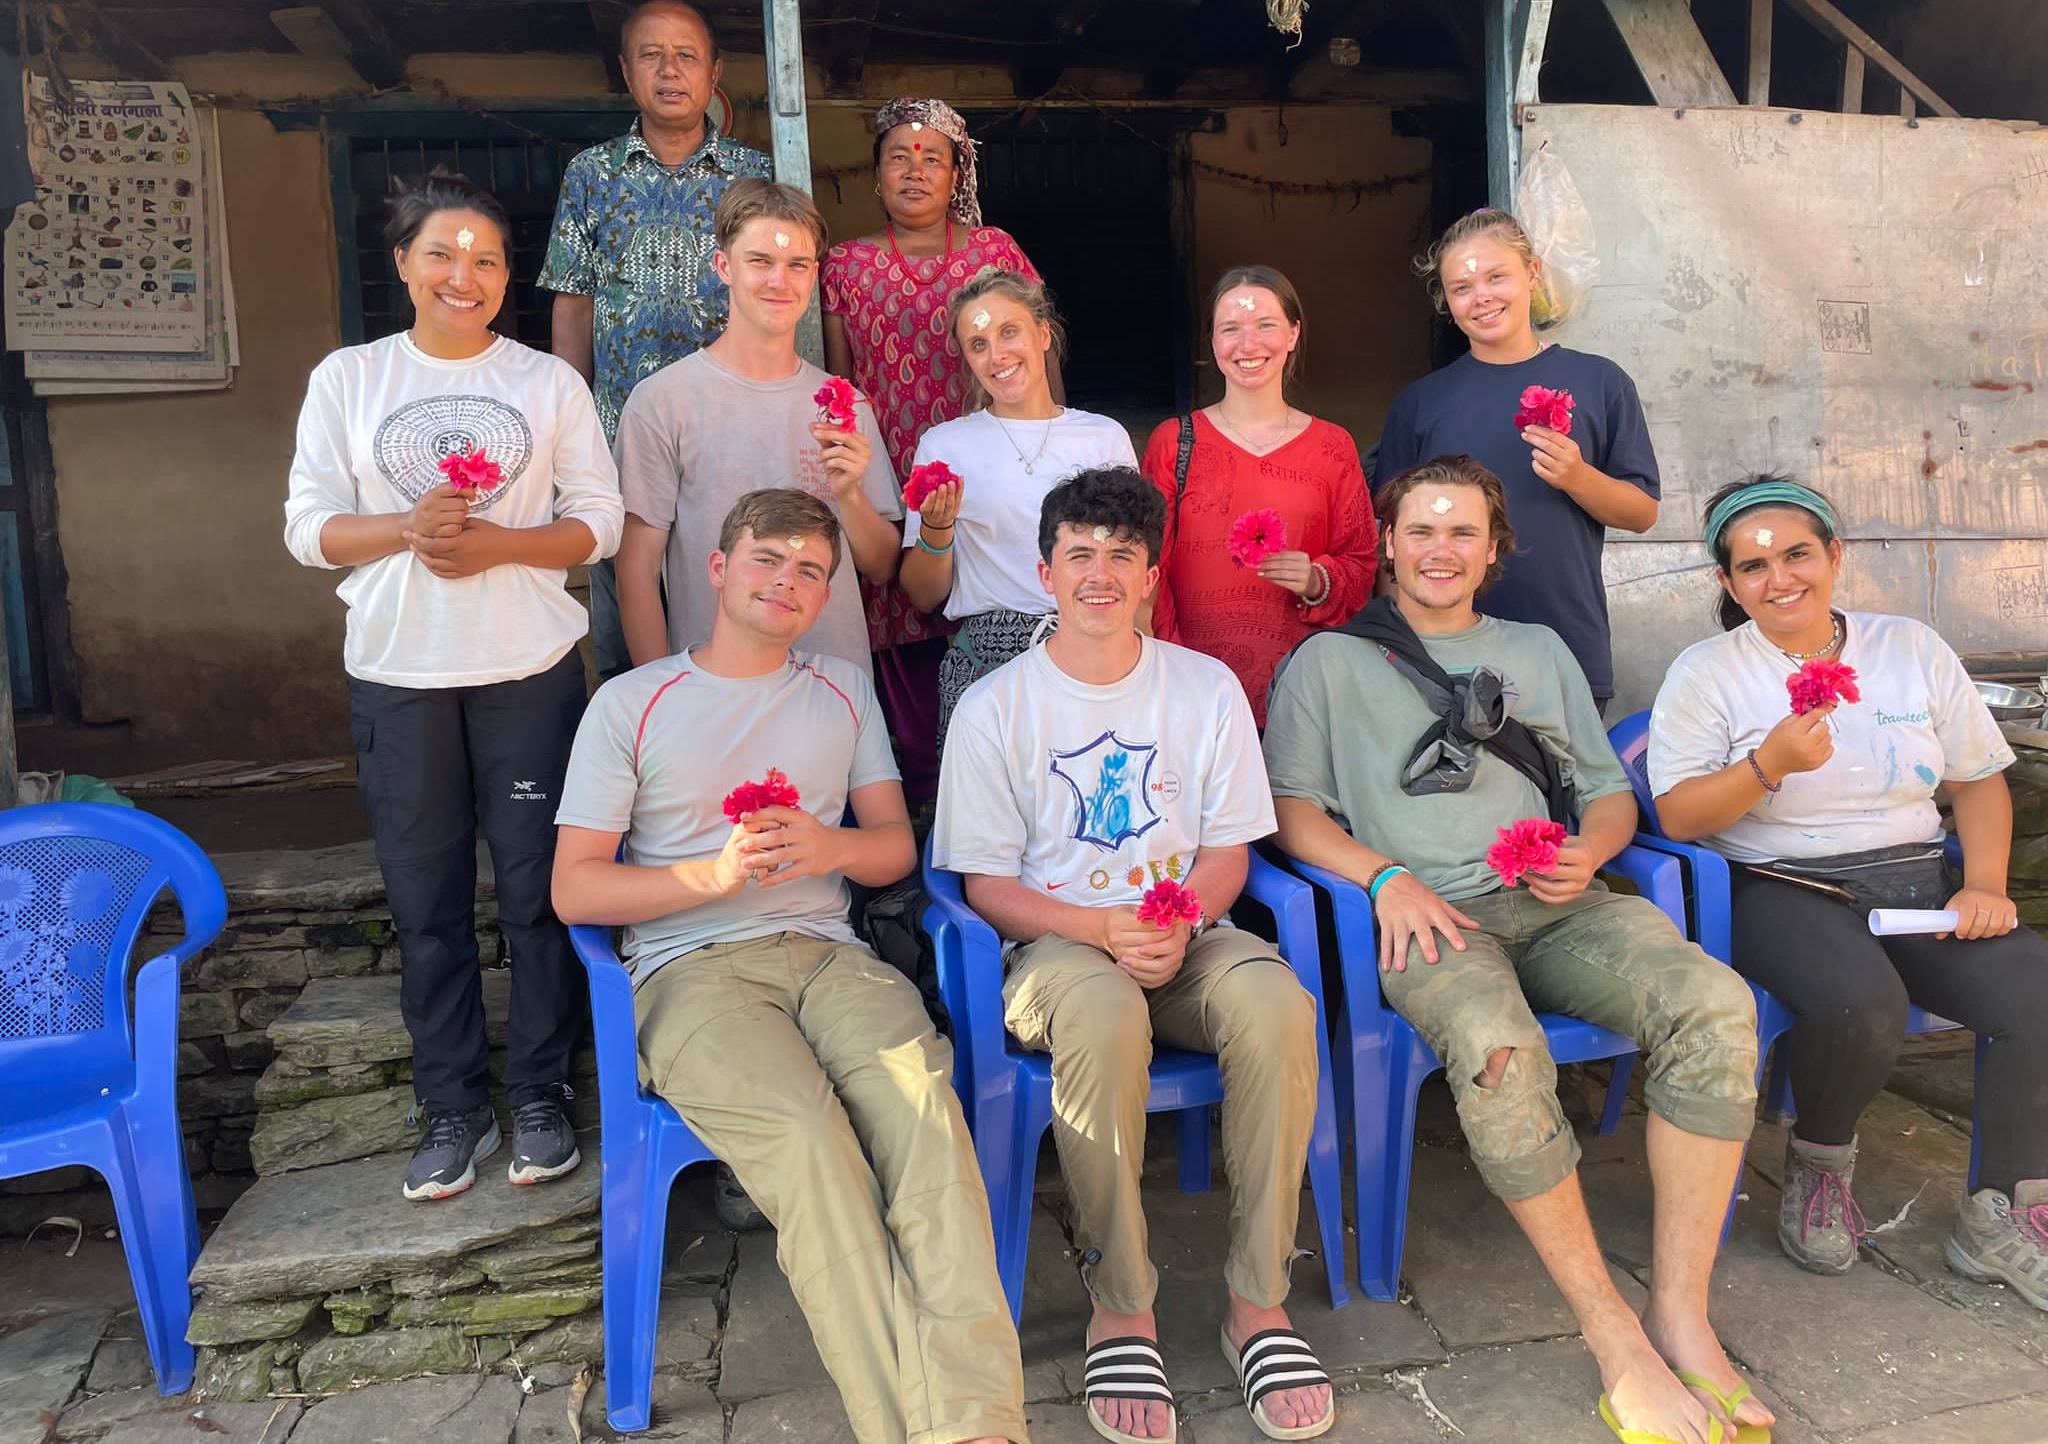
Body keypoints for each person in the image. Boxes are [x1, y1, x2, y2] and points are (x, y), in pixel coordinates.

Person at [1266, 456, 1770, 1444]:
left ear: (1492, 550)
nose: (1439, 550)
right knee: (1502, 1056)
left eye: (1461, 532)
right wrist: (1382, 878)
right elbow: (1290, 814)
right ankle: (1615, 1341)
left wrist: (1590, 849)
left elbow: (1606, 789)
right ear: (1387, 543)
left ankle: (1679, 1312)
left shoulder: (1532, 650)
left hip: (1559, 904)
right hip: (1428, 922)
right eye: (1420, 529)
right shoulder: (1325, 664)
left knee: (1714, 1006)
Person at [553, 488, 1026, 1444]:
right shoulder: (631, 703)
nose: (789, 582)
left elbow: (893, 847)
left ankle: (980, 1425)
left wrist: (828, 848)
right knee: (811, 1144)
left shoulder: (842, 689)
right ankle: (931, 1431)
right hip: (691, 974)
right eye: (769, 560)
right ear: (719, 570)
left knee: (927, 1116)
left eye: (811, 571)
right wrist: (710, 873)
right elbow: (576, 891)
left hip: (828, 956)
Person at [935, 466, 1335, 1444]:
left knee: (1278, 1006)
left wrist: (1175, 918)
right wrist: (1102, 931)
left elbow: (1229, 850)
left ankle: (1257, 1298)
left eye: (1121, 555)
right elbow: (984, 886)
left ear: (1152, 575)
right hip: (1054, 951)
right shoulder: (996, 707)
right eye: (1080, 554)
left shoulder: (1199, 690)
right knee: (1104, 1016)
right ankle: (1122, 1299)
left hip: (1187, 932)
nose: (1100, 573)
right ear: (1045, 572)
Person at [284, 170, 624, 1201]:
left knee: (536, 894)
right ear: (402, 264)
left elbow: (598, 519)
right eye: (440, 253)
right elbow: (306, 528)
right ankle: (449, 1107)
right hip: (398, 672)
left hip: (526, 672)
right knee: (425, 901)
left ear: (506, 274)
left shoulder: (545, 384)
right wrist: (406, 530)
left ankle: (537, 1095)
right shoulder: (350, 379)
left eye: (484, 258)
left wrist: (501, 549)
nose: (462, 275)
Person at [1649, 473, 2048, 1302]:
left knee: (2036, 988)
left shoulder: (1908, 646)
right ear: (1728, 584)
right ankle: (1821, 1162)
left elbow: (1977, 780)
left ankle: (2004, 1211)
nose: (1779, 578)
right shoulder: (1709, 671)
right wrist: (1769, 766)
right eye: (1752, 567)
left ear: (1834, 555)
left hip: (1913, 882)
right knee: (1857, 1002)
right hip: (1779, 884)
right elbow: (1680, 817)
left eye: (1797, 554)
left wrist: (1982, 885)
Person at [822, 96, 1051, 803]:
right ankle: (927, 814)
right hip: (899, 481)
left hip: (995, 473)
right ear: (876, 173)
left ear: (959, 174)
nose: (915, 171)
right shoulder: (845, 264)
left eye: (932, 158)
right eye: (899, 156)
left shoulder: (995, 251)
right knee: (907, 628)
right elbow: (841, 383)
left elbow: (1039, 359)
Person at [540, 0, 771, 682]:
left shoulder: (755, 175)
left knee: (737, 612)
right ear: (625, 70)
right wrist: (569, 433)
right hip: (619, 443)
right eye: (651, 55)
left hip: (733, 435)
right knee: (625, 638)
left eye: (686, 56)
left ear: (713, 71)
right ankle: (644, 775)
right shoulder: (591, 173)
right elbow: (572, 306)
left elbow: (784, 297)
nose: (670, 70)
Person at [1373, 208, 1660, 710]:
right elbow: (1389, 543)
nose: (1481, 296)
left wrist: (1578, 477)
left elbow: (1641, 512)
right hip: (1444, 660)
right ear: (1447, 302)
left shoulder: (1600, 382)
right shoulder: (1421, 403)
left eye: (1496, 276)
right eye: (1461, 287)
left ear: (1532, 274)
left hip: (1567, 647)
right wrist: (1400, 648)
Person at [614, 179, 901, 674]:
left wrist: (850, 494)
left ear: (814, 275)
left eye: (796, 265)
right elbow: (636, 570)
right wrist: (660, 696)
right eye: (760, 261)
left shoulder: (843, 404)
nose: (778, 281)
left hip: (831, 687)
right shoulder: (663, 401)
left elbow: (880, 566)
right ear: (723, 266)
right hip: (711, 692)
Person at [901, 267, 1135, 751]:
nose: (997, 355)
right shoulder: (945, 446)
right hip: (990, 669)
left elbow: (1132, 567)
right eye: (978, 343)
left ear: (1043, 334)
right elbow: (923, 596)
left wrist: (1143, 664)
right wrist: (938, 529)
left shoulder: (1102, 437)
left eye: (1009, 332)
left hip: (1094, 654)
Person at [1141, 266, 1377, 726]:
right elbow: (1149, 571)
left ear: (1293, 334)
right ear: (1212, 342)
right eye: (1231, 329)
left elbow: (1363, 563)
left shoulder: (1333, 448)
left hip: (1302, 695)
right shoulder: (1174, 443)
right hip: (1194, 697)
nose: (1248, 345)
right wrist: (1177, 669)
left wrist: (1317, 581)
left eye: (1265, 325)